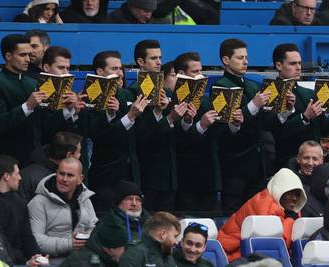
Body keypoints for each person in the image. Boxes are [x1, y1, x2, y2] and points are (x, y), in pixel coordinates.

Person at [213, 38, 295, 212]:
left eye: (246, 57)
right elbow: (225, 130)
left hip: (258, 164)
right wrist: (254, 105)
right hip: (234, 164)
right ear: (226, 60)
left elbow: (265, 122)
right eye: (240, 58)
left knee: (256, 212)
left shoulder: (251, 86)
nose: (246, 62)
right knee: (233, 212)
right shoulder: (221, 86)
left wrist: (285, 110)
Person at [0, 34, 72, 167]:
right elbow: (0, 124)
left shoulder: (33, 83)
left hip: (36, 155)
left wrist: (68, 109)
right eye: (22, 55)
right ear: (8, 56)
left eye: (29, 55)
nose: (28, 59)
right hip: (10, 158)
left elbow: (45, 124)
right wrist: (27, 106)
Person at [174, 52, 239, 212]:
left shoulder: (208, 100)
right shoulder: (170, 102)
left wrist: (234, 125)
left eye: (201, 71)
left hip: (209, 176)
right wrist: (200, 126)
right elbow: (177, 141)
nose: (200, 76)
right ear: (181, 75)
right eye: (195, 72)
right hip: (185, 178)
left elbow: (220, 136)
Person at [125, 39, 185, 211]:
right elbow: (140, 135)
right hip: (146, 169)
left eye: (159, 57)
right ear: (140, 62)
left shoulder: (166, 92)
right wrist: (159, 113)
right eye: (153, 58)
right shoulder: (132, 91)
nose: (159, 62)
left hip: (169, 169)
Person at [88, 50, 150, 211]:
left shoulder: (126, 95)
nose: (120, 73)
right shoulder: (91, 95)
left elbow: (139, 135)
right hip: (106, 175)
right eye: (114, 69)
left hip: (131, 173)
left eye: (121, 69)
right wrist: (129, 116)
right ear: (100, 72)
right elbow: (99, 136)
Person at [271, 43, 329, 170]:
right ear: (279, 65)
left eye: (300, 63)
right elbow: (277, 133)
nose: (298, 67)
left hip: (314, 163)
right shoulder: (272, 93)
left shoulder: (308, 93)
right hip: (288, 163)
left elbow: (323, 129)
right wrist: (305, 117)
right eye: (293, 63)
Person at [217, 168, 307, 262]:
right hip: (232, 256)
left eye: (297, 195)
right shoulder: (267, 206)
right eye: (290, 193)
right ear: (279, 191)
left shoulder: (286, 207)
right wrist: (290, 220)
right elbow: (276, 246)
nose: (295, 198)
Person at [28, 158, 98, 264]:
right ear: (56, 174)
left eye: (70, 175)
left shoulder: (85, 199)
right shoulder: (38, 203)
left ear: (80, 179)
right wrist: (69, 244)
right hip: (52, 263)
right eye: (61, 174)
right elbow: (35, 240)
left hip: (83, 261)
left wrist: (88, 239)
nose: (64, 179)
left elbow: (94, 229)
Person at [0, 155, 42, 264]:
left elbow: (27, 235)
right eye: (17, 173)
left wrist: (38, 257)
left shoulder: (19, 201)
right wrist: (24, 263)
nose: (20, 177)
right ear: (6, 176)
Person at [20, 131, 82, 202]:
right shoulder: (35, 178)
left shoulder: (28, 173)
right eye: (79, 152)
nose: (80, 155)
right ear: (69, 155)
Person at [91, 181, 150, 245]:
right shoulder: (106, 225)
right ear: (118, 202)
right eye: (129, 199)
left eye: (138, 199)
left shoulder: (152, 224)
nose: (134, 204)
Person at [60, 219, 128, 267]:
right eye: (123, 248)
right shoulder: (85, 262)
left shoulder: (95, 254)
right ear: (112, 249)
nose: (125, 252)